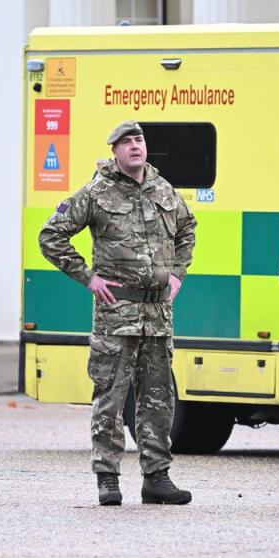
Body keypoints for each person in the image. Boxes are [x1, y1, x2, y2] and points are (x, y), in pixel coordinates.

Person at [39, 121, 197, 506]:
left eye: (139, 140)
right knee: (111, 397)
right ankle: (107, 477)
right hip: (116, 314)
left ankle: (157, 478)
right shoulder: (97, 192)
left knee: (158, 398)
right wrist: (88, 278)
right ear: (114, 151)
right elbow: (51, 235)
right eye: (126, 143)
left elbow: (188, 228)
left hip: (157, 315)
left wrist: (177, 273)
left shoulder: (163, 189)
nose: (134, 147)